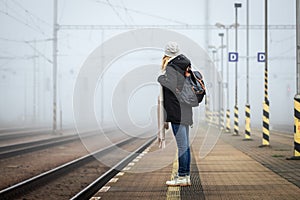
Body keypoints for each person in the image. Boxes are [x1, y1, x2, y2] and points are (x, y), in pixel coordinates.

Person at [158, 41, 193, 186]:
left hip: (176, 111)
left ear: (166, 54)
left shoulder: (172, 67)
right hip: (185, 109)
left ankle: (182, 177)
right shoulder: (185, 64)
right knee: (185, 145)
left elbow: (171, 85)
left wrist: (161, 78)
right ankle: (185, 176)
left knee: (182, 146)